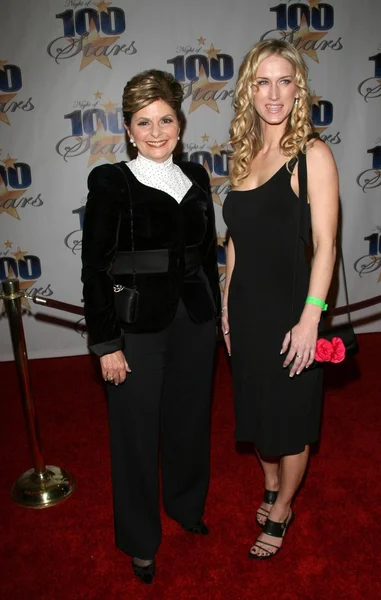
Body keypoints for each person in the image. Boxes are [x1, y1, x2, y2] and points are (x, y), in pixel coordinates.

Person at [81, 69, 220, 584]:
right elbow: (96, 269)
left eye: (166, 119)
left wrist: (217, 311)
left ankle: (186, 506)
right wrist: (107, 342)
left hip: (195, 321)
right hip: (135, 326)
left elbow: (207, 256)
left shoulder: (199, 178)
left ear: (180, 123)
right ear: (128, 127)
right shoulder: (111, 181)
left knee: (190, 421)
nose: (156, 132)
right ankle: (140, 541)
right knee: (136, 436)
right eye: (144, 122)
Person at [222, 40, 339, 559]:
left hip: (293, 315)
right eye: (262, 82)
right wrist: (226, 309)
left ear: (299, 89)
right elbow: (234, 241)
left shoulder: (312, 154)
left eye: (284, 81)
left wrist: (311, 319)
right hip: (246, 312)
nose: (274, 93)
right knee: (256, 416)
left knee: (289, 423)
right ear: (249, 89)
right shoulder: (245, 155)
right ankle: (270, 486)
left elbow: (327, 245)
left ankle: (284, 505)